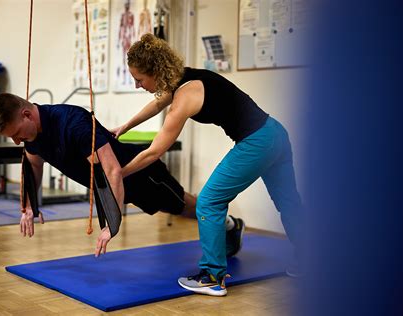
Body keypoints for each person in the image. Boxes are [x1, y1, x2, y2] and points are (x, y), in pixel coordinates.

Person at [111, 33, 304, 296]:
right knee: (289, 202)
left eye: (139, 79)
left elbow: (154, 152)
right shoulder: (185, 77)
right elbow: (156, 104)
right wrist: (125, 126)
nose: (137, 85)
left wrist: (118, 173)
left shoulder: (185, 97)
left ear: (155, 72)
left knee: (209, 201)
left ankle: (212, 276)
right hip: (275, 133)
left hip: (257, 142)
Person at [0, 92, 244, 259]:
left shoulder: (73, 123)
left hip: (142, 174)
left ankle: (230, 224)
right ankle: (223, 221)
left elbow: (112, 170)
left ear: (27, 114)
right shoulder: (33, 136)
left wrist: (112, 221)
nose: (17, 140)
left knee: (184, 206)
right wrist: (29, 206)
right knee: (176, 208)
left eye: (16, 132)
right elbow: (32, 166)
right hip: (116, 185)